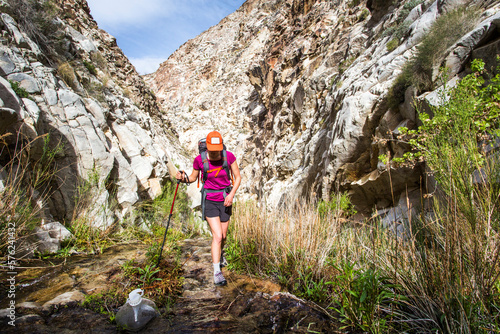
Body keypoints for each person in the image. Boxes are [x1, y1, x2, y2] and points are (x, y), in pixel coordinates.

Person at [176, 131, 241, 286]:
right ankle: (217, 271)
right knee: (217, 236)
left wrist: (231, 195)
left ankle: (220, 255)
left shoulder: (229, 157)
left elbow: (237, 177)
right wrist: (183, 177)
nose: (214, 152)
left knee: (224, 236)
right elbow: (192, 178)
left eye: (217, 148)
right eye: (212, 149)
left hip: (225, 199)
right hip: (210, 200)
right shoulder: (199, 160)